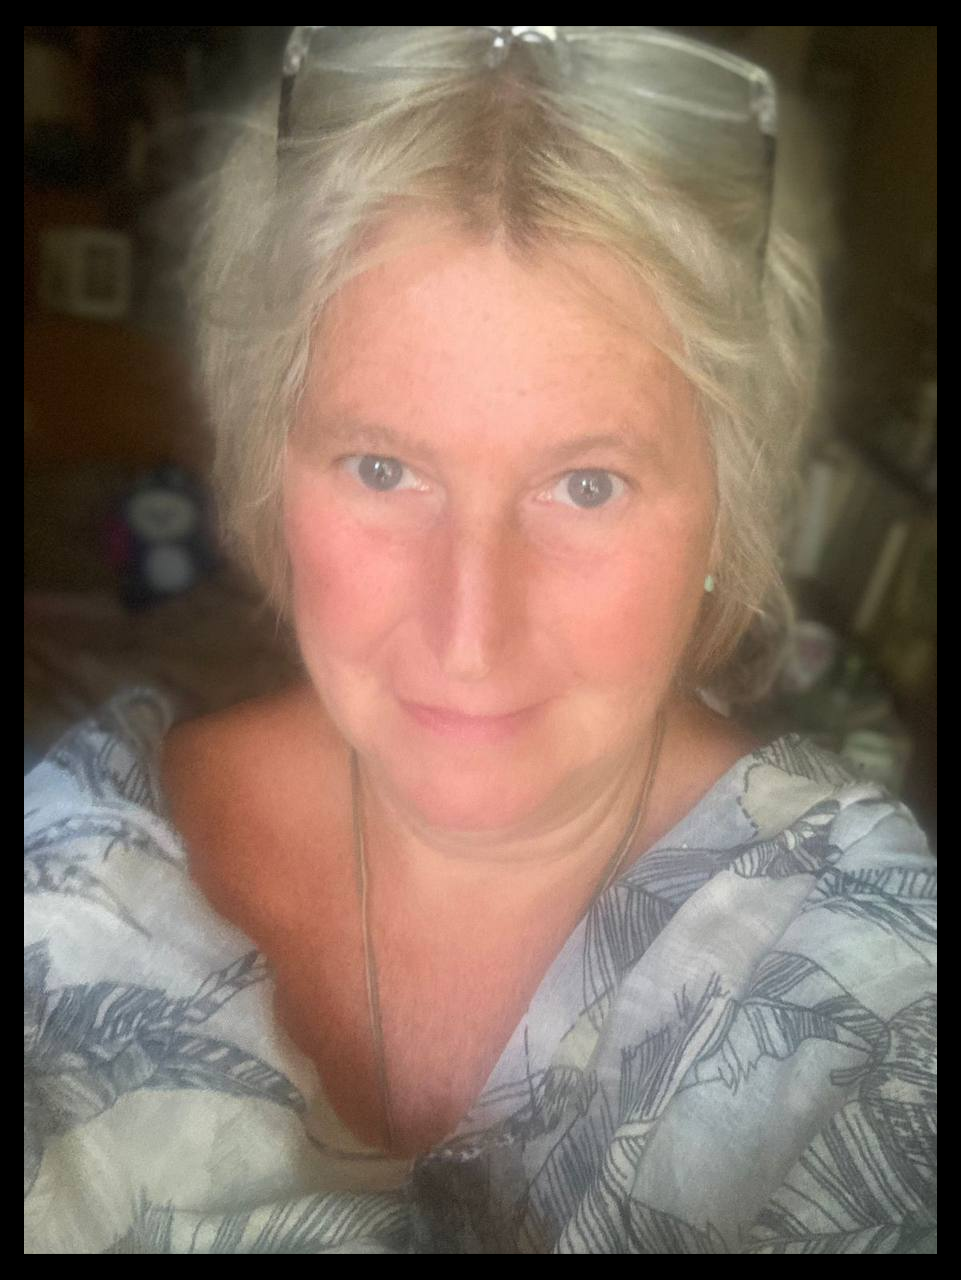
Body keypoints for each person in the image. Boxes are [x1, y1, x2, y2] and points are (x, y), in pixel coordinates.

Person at [24, 26, 935, 1254]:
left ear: (727, 503)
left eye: (587, 484)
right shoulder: (59, 889)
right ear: (272, 469)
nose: (469, 635)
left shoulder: (874, 966)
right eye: (382, 467)